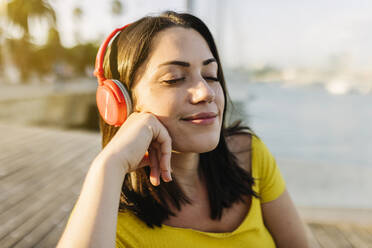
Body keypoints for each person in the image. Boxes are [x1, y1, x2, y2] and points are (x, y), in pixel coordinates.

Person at [57, 10, 309, 248]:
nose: (206, 92)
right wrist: (109, 165)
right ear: (120, 103)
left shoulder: (249, 155)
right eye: (174, 79)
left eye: (210, 75)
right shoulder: (106, 222)